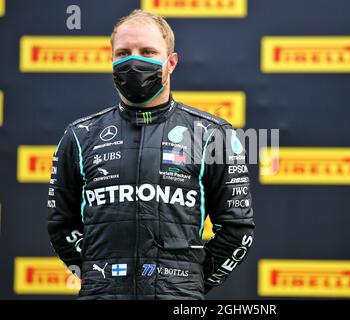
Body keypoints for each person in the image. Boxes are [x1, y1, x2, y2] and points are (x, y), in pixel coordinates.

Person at [47, 9, 255, 300]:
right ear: (112, 61)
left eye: (147, 51)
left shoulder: (212, 134)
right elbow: (60, 224)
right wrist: (98, 275)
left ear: (170, 63)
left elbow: (237, 229)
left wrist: (189, 283)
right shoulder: (80, 136)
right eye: (123, 53)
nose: (134, 61)